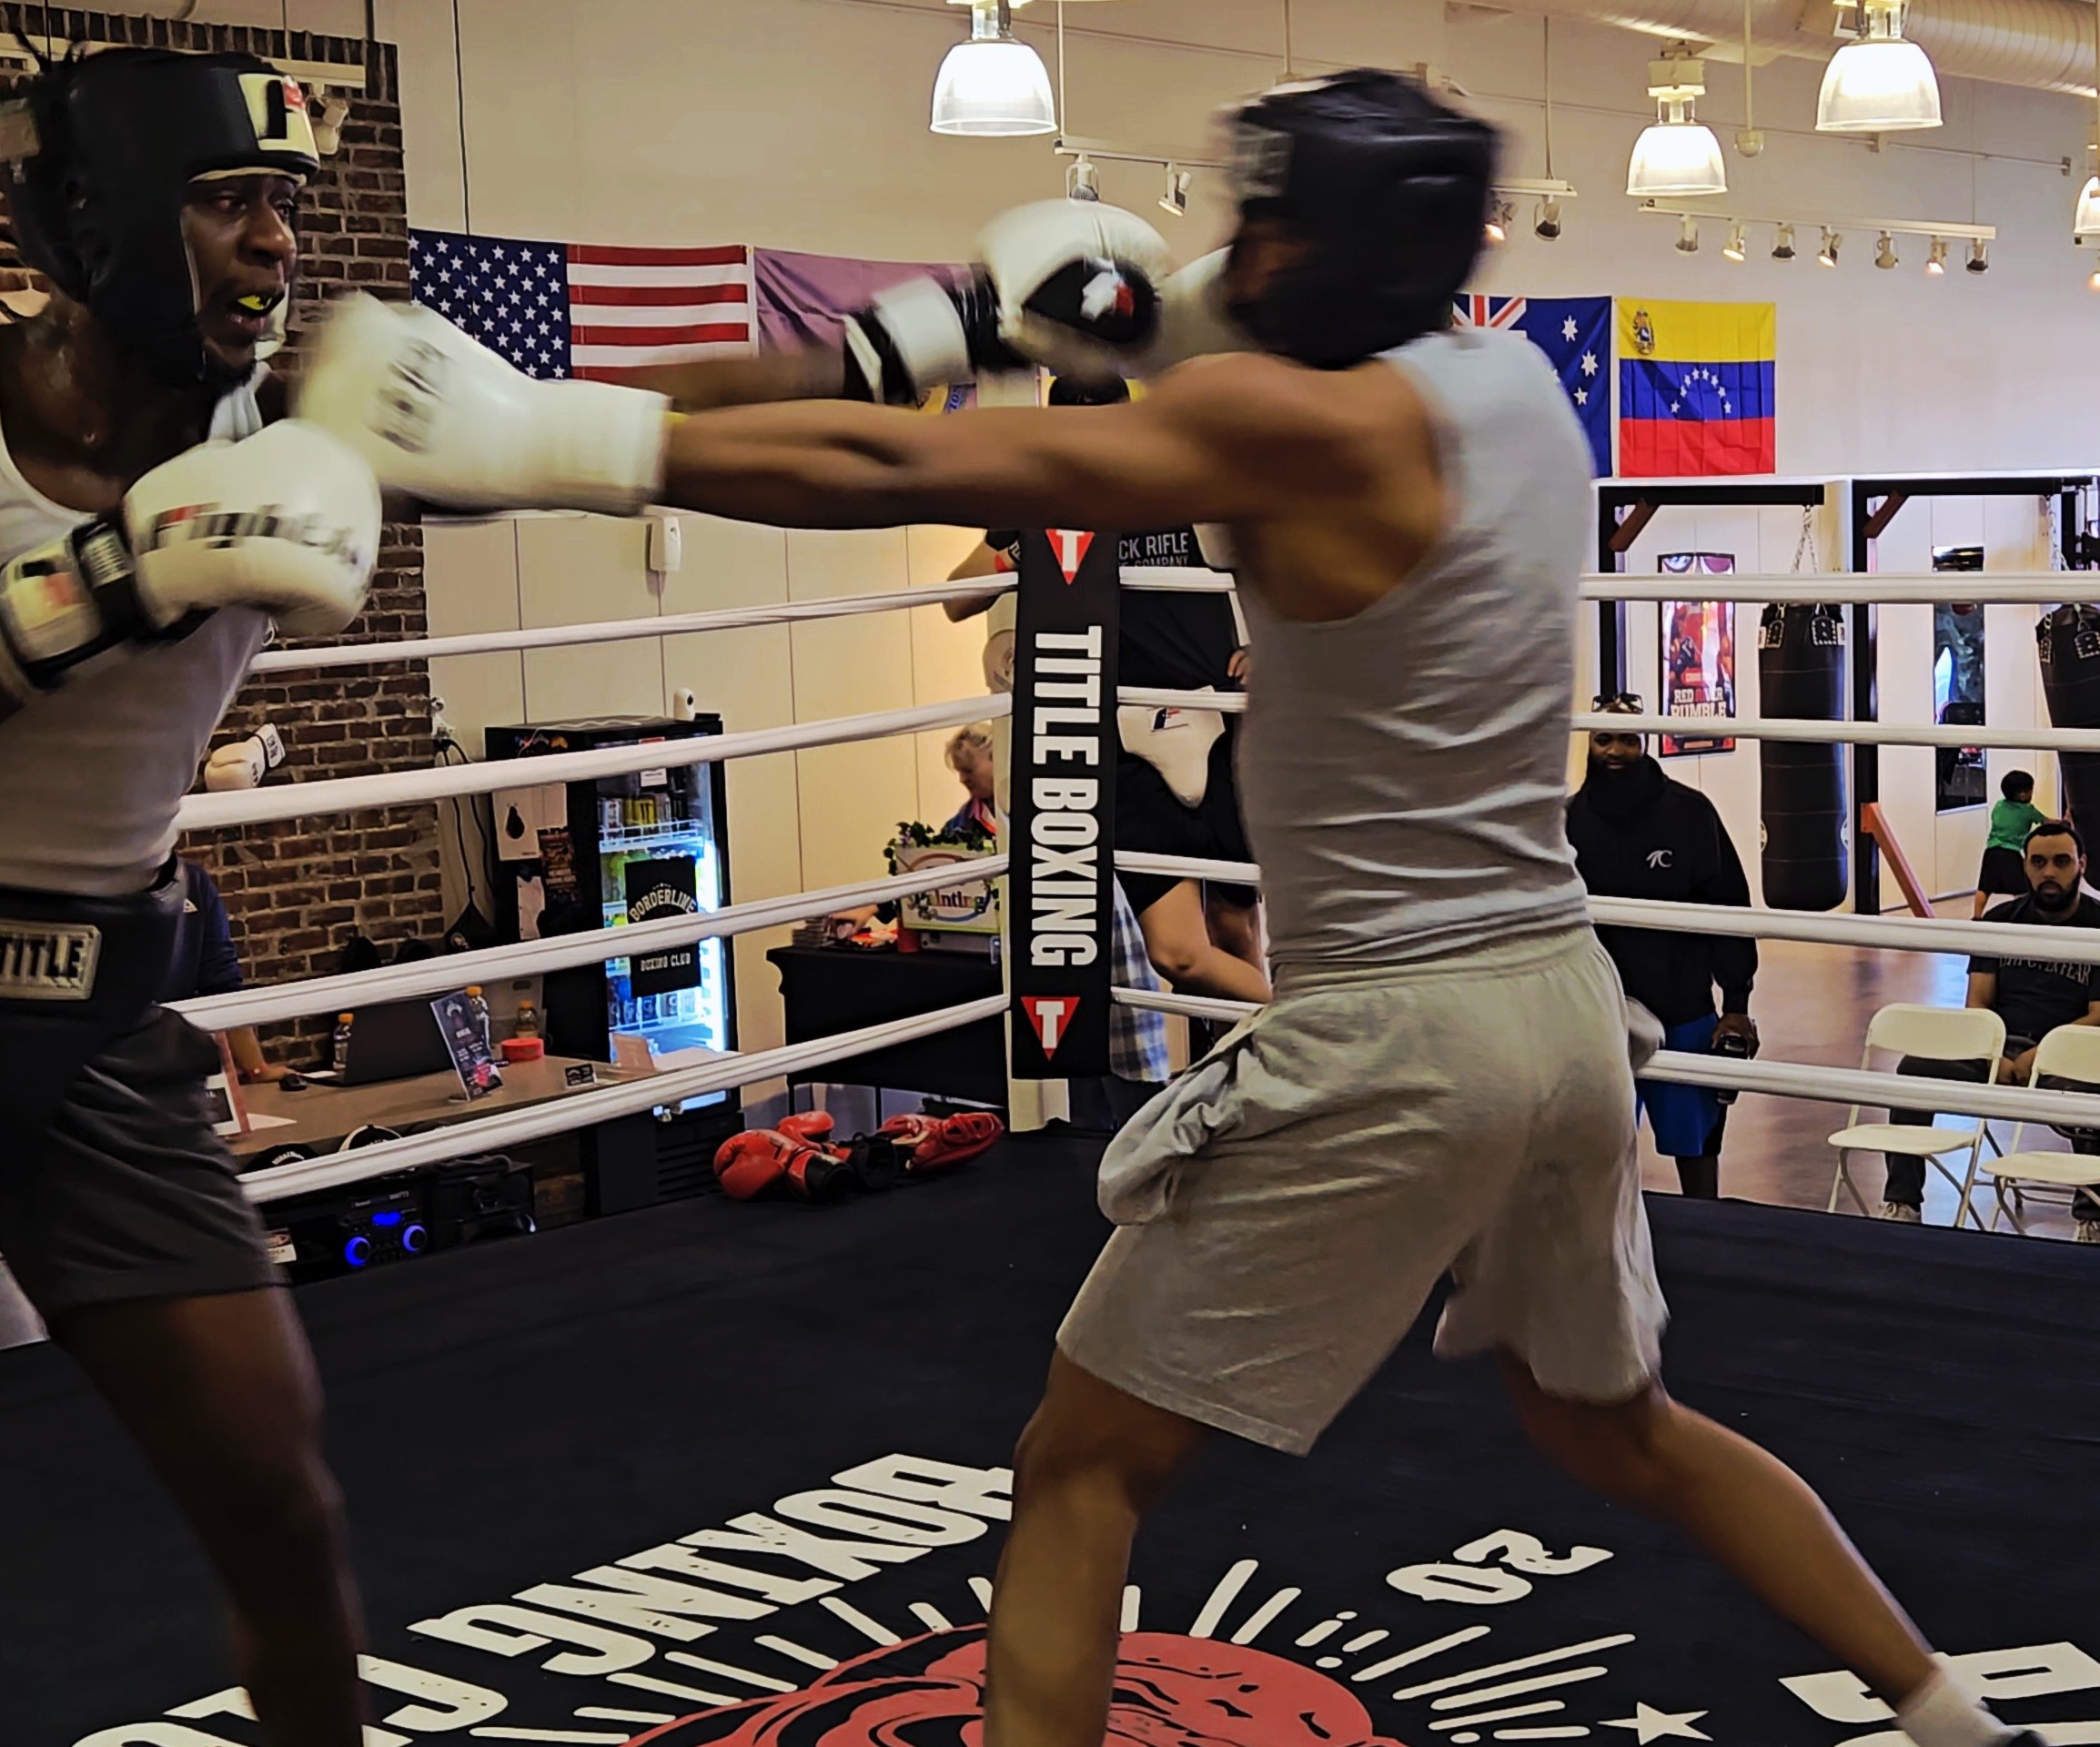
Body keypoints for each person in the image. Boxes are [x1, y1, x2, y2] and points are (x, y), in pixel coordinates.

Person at [298, 68, 2041, 1747]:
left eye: (1257, 218)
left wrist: (532, 438)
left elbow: (897, 474)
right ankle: (1941, 1709)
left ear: (1308, 253)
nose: (1229, 242)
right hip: (1556, 1011)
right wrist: (933, 330)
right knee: (1619, 1431)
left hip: (1397, 1037)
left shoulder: (1287, 427)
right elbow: (1042, 343)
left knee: (1076, 1470)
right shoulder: (1505, 387)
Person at [0, 48, 380, 1746]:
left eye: (285, 204)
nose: (276, 244)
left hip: (95, 1034)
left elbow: (649, 430)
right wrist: (97, 590)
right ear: (91, 222)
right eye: (228, 201)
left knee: (281, 1503)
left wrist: (921, 340)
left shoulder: (297, 433)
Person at [944, 376, 1268, 1007]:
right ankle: (1316, 1032)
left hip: (1215, 712)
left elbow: (1280, 561)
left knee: (1236, 929)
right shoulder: (1042, 501)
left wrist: (1270, 647)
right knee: (1178, 954)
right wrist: (1023, 545)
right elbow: (957, 597)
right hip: (1116, 735)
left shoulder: (1187, 480)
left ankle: (1270, 1059)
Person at [1566, 697, 1758, 1198]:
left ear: (1646, 742)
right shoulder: (1567, 821)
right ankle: (1605, 1245)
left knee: (1697, 1151)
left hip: (1682, 1009)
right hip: (1598, 1013)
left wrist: (1736, 1005)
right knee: (1595, 1156)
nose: (1615, 751)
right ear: (1588, 743)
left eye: (1628, 740)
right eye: (1604, 739)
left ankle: (1709, 1238)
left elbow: (1728, 906)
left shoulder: (1689, 813)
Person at [1884, 818, 2100, 1241]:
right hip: (2000, 1051)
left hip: (2069, 1055)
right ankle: (1902, 1202)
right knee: (1914, 1070)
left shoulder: (2096, 926)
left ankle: (2091, 1214)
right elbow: (1978, 1004)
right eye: (2038, 862)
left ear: (2082, 865)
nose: (2049, 872)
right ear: (2025, 866)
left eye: (2061, 862)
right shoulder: (2000, 921)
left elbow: (2098, 1015)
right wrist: (1993, 1054)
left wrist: (2044, 1056)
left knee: (2092, 1087)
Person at [164, 856, 294, 1083]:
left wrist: (256, 1069)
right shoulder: (99, 889)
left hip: (172, 1067)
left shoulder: (193, 882)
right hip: (109, 1070)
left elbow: (222, 981)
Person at [1974, 768, 2045, 918]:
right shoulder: (2028, 810)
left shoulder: (1999, 805)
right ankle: (2023, 915)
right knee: (2022, 888)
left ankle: (1977, 916)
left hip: (1991, 851)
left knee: (1984, 887)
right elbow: (2046, 822)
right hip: (2010, 852)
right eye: (2031, 790)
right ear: (2023, 794)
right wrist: (2065, 821)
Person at [942, 720, 999, 836]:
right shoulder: (956, 829)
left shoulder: (1035, 810)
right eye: (959, 772)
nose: (962, 780)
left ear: (997, 759)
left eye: (968, 770)